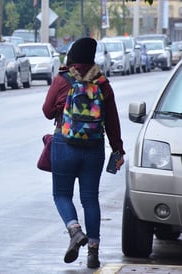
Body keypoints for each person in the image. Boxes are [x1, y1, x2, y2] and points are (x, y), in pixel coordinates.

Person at [42, 37, 125, 269]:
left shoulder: (62, 79)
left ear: (72, 57)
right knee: (90, 199)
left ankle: (75, 230)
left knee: (61, 194)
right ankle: (93, 252)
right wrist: (118, 149)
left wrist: (61, 106)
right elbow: (112, 122)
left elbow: (47, 111)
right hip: (94, 148)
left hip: (64, 145)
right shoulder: (103, 84)